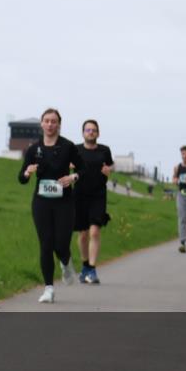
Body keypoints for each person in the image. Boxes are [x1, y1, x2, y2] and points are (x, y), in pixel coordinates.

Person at [18, 108, 84, 303]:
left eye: (53, 121)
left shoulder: (68, 147)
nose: (50, 124)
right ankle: (48, 289)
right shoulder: (33, 149)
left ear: (59, 124)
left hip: (64, 202)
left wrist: (73, 176)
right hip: (41, 202)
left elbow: (83, 168)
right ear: (41, 124)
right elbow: (21, 178)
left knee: (61, 243)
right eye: (46, 121)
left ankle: (66, 262)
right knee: (46, 244)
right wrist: (27, 173)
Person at [74, 119, 114, 284]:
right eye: (88, 130)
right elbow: (67, 165)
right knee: (83, 235)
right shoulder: (75, 150)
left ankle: (92, 269)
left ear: (98, 133)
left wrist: (108, 171)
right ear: (83, 133)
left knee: (95, 232)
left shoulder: (104, 150)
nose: (91, 132)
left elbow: (110, 166)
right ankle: (84, 266)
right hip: (80, 195)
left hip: (98, 195)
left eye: (93, 130)